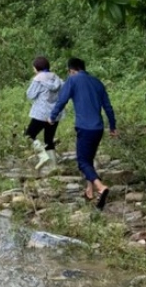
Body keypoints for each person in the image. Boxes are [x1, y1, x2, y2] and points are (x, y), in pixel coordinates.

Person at [49, 57, 117, 210]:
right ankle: (89, 191)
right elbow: (108, 107)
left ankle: (101, 187)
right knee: (89, 159)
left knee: (82, 162)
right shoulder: (97, 82)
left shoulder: (72, 80)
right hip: (98, 128)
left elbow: (62, 100)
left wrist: (52, 117)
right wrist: (112, 126)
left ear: (71, 70)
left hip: (84, 128)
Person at [26, 56, 64, 171]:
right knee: (49, 139)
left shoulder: (38, 79)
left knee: (29, 135)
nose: (33, 70)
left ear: (37, 68)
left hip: (41, 114)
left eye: (34, 68)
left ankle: (43, 156)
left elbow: (30, 95)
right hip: (55, 114)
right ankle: (53, 167)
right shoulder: (57, 78)